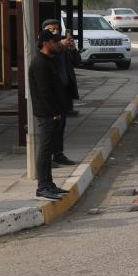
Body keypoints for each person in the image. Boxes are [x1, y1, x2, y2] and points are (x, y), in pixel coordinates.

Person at [28, 30, 70, 201]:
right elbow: (44, 92)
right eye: (54, 41)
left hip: (54, 111)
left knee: (50, 149)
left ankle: (50, 184)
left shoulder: (50, 60)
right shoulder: (39, 63)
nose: (57, 44)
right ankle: (42, 186)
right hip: (47, 113)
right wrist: (54, 112)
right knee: (45, 151)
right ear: (45, 43)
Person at [42, 19, 77, 167]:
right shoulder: (44, 45)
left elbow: (77, 61)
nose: (54, 32)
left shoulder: (61, 45)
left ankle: (58, 154)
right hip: (51, 92)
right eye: (51, 29)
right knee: (50, 127)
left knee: (61, 125)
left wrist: (72, 48)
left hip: (64, 90)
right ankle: (47, 158)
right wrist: (60, 45)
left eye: (57, 29)